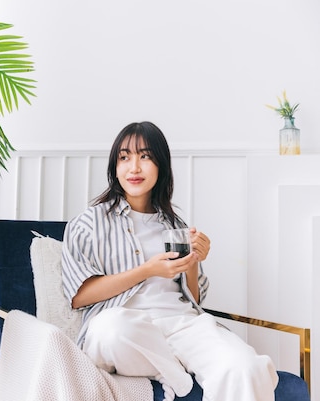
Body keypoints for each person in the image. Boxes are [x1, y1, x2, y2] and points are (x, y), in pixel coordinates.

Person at [61, 121, 278, 401]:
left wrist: (194, 261)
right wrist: (147, 270)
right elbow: (80, 296)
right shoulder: (88, 223)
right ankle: (177, 374)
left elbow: (194, 300)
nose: (134, 167)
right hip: (125, 328)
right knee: (109, 331)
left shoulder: (175, 224)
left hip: (181, 324)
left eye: (145, 157)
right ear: (114, 167)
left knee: (244, 367)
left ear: (161, 165)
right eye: (124, 157)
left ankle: (174, 363)